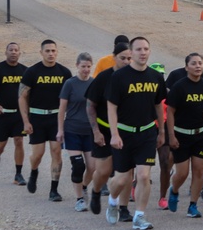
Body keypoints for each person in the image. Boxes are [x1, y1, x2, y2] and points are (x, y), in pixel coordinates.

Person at [105, 37, 166, 230]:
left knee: (143, 175)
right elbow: (111, 107)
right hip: (124, 132)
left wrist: (161, 131)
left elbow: (158, 105)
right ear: (131, 52)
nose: (143, 52)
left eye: (146, 49)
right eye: (138, 49)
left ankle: (139, 216)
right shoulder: (119, 77)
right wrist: (114, 134)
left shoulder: (156, 77)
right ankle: (113, 201)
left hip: (147, 132)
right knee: (122, 179)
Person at [19, 39, 72, 201]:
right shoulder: (32, 72)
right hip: (37, 117)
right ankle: (34, 172)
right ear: (41, 52)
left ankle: (53, 190)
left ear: (57, 52)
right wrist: (26, 121)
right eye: (47, 51)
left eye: (53, 51)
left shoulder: (64, 72)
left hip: (56, 118)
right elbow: (22, 97)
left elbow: (71, 96)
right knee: (38, 154)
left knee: (56, 152)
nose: (51, 54)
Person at [86, 42, 132, 218]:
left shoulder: (135, 76)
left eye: (129, 58)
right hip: (104, 130)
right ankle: (96, 191)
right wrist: (96, 132)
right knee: (104, 171)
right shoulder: (104, 78)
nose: (127, 62)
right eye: (123, 58)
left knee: (127, 171)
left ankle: (124, 208)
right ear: (114, 58)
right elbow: (90, 106)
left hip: (126, 130)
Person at [165, 52, 203, 218]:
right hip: (181, 135)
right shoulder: (179, 86)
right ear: (186, 67)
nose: (198, 66)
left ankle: (193, 205)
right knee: (182, 173)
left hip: (201, 135)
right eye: (194, 63)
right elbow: (170, 112)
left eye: (200, 63)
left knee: (199, 171)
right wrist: (171, 135)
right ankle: (174, 190)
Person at [58, 53, 96, 212]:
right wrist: (60, 130)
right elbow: (61, 109)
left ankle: (84, 186)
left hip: (89, 131)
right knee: (78, 164)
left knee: (92, 166)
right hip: (72, 129)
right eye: (83, 67)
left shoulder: (94, 83)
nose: (86, 70)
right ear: (77, 66)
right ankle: (79, 199)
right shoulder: (70, 84)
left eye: (88, 66)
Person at [0, 42, 27, 184]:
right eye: (11, 50)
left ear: (20, 53)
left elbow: (30, 92)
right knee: (1, 145)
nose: (13, 52)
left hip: (19, 114)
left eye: (16, 50)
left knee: (19, 141)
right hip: (3, 114)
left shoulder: (25, 71)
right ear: (6, 52)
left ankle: (18, 174)